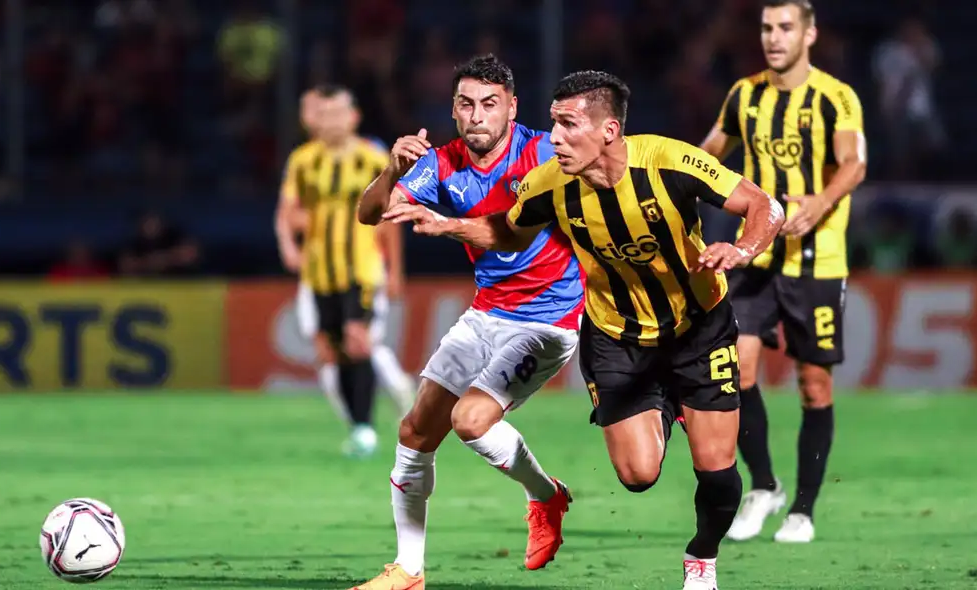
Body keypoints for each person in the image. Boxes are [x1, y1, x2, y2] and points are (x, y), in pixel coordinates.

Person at [385, 70, 783, 590]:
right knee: (638, 476)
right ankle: (666, 405)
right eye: (553, 123)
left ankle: (701, 558)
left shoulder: (669, 161)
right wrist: (449, 225)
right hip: (617, 336)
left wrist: (742, 248)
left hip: (697, 329)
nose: (554, 137)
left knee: (717, 474)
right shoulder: (548, 183)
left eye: (569, 125)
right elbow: (509, 231)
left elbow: (764, 205)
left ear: (609, 131)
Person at [351, 54, 583, 590]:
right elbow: (369, 214)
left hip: (548, 318)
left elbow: (510, 232)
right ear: (453, 110)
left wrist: (445, 224)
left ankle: (545, 494)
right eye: (466, 104)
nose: (477, 115)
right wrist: (391, 171)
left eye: (489, 104)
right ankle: (408, 570)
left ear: (512, 108)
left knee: (471, 422)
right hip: (487, 313)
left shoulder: (544, 153)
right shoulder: (442, 162)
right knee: (414, 432)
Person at [699, 0, 867, 543]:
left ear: (809, 34)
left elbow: (853, 163)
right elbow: (709, 153)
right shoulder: (744, 95)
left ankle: (803, 509)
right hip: (755, 255)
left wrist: (819, 202)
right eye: (767, 27)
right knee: (736, 369)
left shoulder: (836, 97)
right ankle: (765, 485)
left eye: (786, 27)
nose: (774, 37)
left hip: (817, 260)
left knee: (814, 385)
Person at [275, 85, 413, 458]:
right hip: (319, 271)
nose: (331, 121)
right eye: (325, 114)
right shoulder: (304, 160)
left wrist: (395, 270)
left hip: (362, 267)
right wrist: (290, 244)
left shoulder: (372, 158)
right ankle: (358, 425)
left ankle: (365, 426)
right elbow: (289, 210)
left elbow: (389, 218)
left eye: (338, 114)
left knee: (358, 340)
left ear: (354, 118)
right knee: (333, 351)